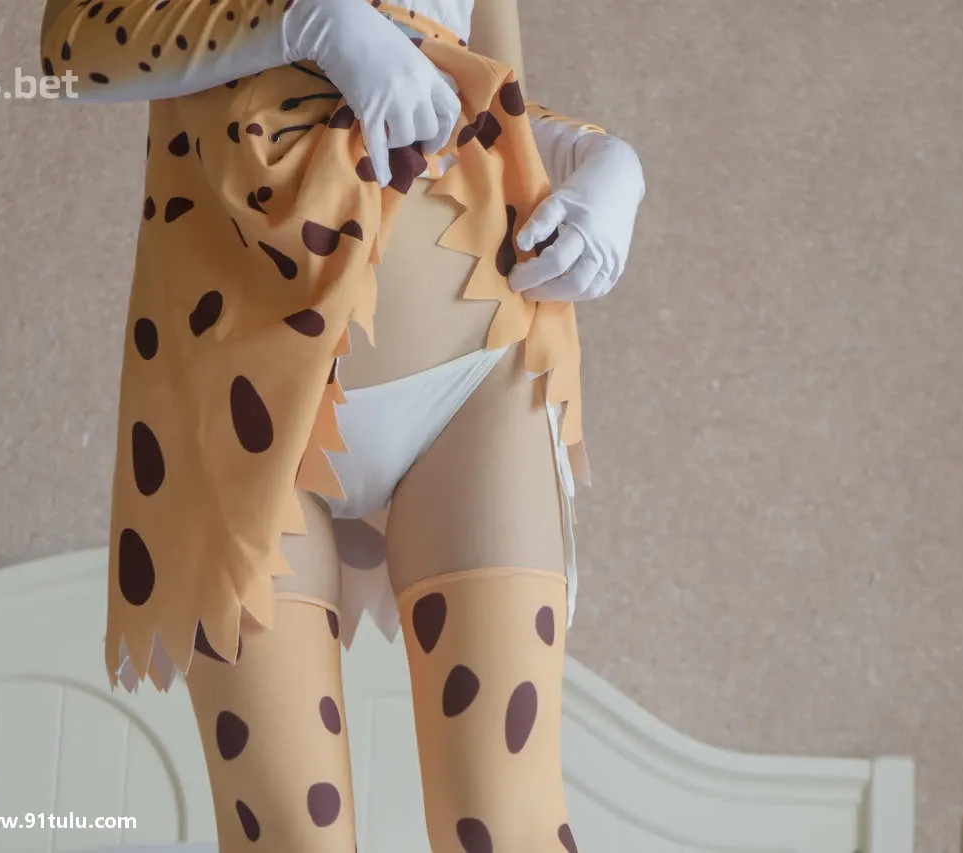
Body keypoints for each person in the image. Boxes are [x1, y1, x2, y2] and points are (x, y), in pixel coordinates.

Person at [38, 0, 645, 849]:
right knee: (292, 836)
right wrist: (307, 20)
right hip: (241, 401)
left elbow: (489, 100)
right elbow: (75, 46)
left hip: (479, 370)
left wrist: (603, 162)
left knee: (512, 825)